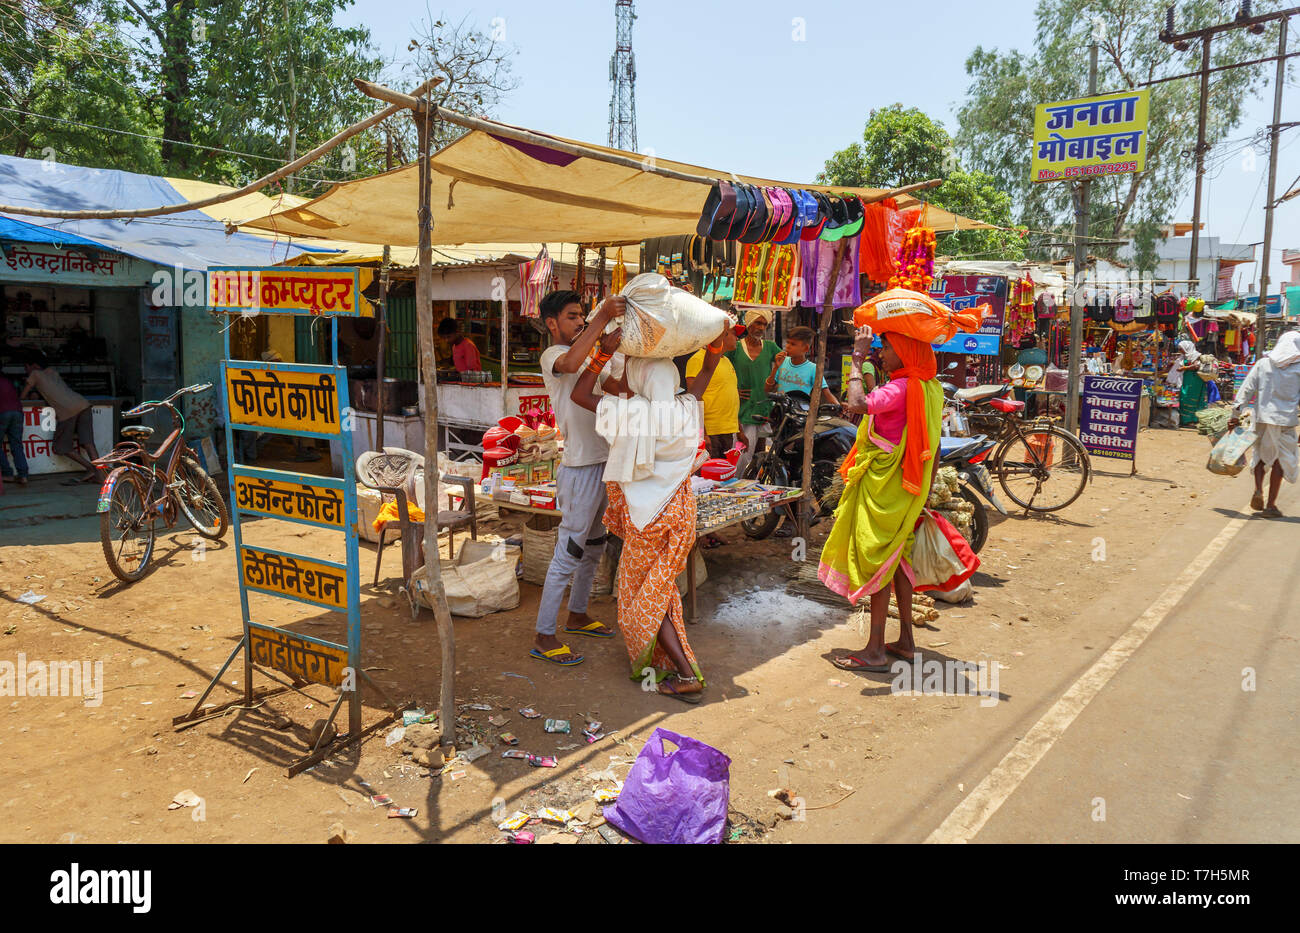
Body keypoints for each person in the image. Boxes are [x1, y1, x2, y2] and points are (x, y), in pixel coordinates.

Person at [572, 324, 729, 703]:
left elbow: (580, 393)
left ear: (642, 379)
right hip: (680, 512)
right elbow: (707, 371)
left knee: (642, 595)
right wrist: (714, 345)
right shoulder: (685, 404)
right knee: (660, 590)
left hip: (649, 519)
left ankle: (687, 674)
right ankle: (675, 664)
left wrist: (603, 354)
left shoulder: (633, 413)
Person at [820, 325, 942, 672]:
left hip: (885, 488)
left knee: (879, 562)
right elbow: (932, 445)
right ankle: (905, 640)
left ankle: (874, 650)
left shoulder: (903, 388)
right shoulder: (929, 388)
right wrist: (927, 491)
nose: (881, 354)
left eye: (886, 348)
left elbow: (857, 404)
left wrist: (857, 358)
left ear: (905, 351)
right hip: (909, 487)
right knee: (898, 562)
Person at [530, 290, 627, 667]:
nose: (580, 321)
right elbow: (571, 365)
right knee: (568, 553)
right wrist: (602, 319)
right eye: (573, 316)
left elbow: (618, 389)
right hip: (580, 466)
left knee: (594, 547)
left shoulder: (591, 354)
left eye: (582, 315)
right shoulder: (553, 355)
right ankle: (543, 633)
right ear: (552, 323)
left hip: (605, 462)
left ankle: (578, 613)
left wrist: (623, 355)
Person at [1230, 330, 1300, 518]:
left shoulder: (1263, 364)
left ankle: (1258, 490)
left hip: (1262, 418)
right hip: (1285, 421)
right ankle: (1270, 505)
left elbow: (1246, 390)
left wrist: (1235, 414)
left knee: (1261, 454)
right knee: (1281, 460)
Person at [685, 321, 742, 547]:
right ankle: (701, 533)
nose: (736, 339)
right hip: (710, 430)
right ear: (720, 335)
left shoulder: (726, 361)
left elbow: (729, 395)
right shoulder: (697, 360)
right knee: (705, 485)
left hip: (727, 429)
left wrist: (737, 427)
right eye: (733, 335)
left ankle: (713, 529)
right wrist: (703, 432)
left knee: (721, 486)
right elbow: (693, 398)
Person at [22, 353, 98, 485]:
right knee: (88, 443)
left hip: (67, 411)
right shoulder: (52, 371)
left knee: (61, 446)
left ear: (33, 365)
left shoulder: (34, 374)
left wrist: (27, 384)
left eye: (26, 367)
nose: (26, 371)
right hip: (83, 403)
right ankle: (101, 475)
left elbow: (22, 397)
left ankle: (91, 468)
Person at [728, 308, 781, 476]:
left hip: (764, 408)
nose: (761, 328)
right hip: (741, 410)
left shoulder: (771, 347)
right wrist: (732, 390)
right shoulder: (735, 347)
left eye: (764, 324)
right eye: (758, 323)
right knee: (741, 458)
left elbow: (786, 365)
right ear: (748, 323)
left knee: (760, 457)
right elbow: (721, 369)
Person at [766, 325, 841, 408]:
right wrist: (776, 367)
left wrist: (839, 407)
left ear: (805, 348)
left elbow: (827, 393)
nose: (788, 346)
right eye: (788, 342)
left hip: (800, 414)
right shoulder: (782, 362)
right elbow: (767, 389)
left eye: (793, 344)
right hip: (779, 411)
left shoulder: (813, 369)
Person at [1164, 339, 1205, 427]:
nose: (1180, 351)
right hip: (1187, 379)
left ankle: (1191, 420)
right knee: (1183, 397)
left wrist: (1184, 368)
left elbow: (1196, 366)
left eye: (1181, 348)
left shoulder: (1195, 355)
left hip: (1194, 381)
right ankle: (1185, 420)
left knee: (1189, 399)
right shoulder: (1184, 356)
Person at [0, 371, 28, 486]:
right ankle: (23, 475)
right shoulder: (9, 380)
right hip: (17, 412)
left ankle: (7, 473)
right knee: (16, 444)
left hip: (2, 412)